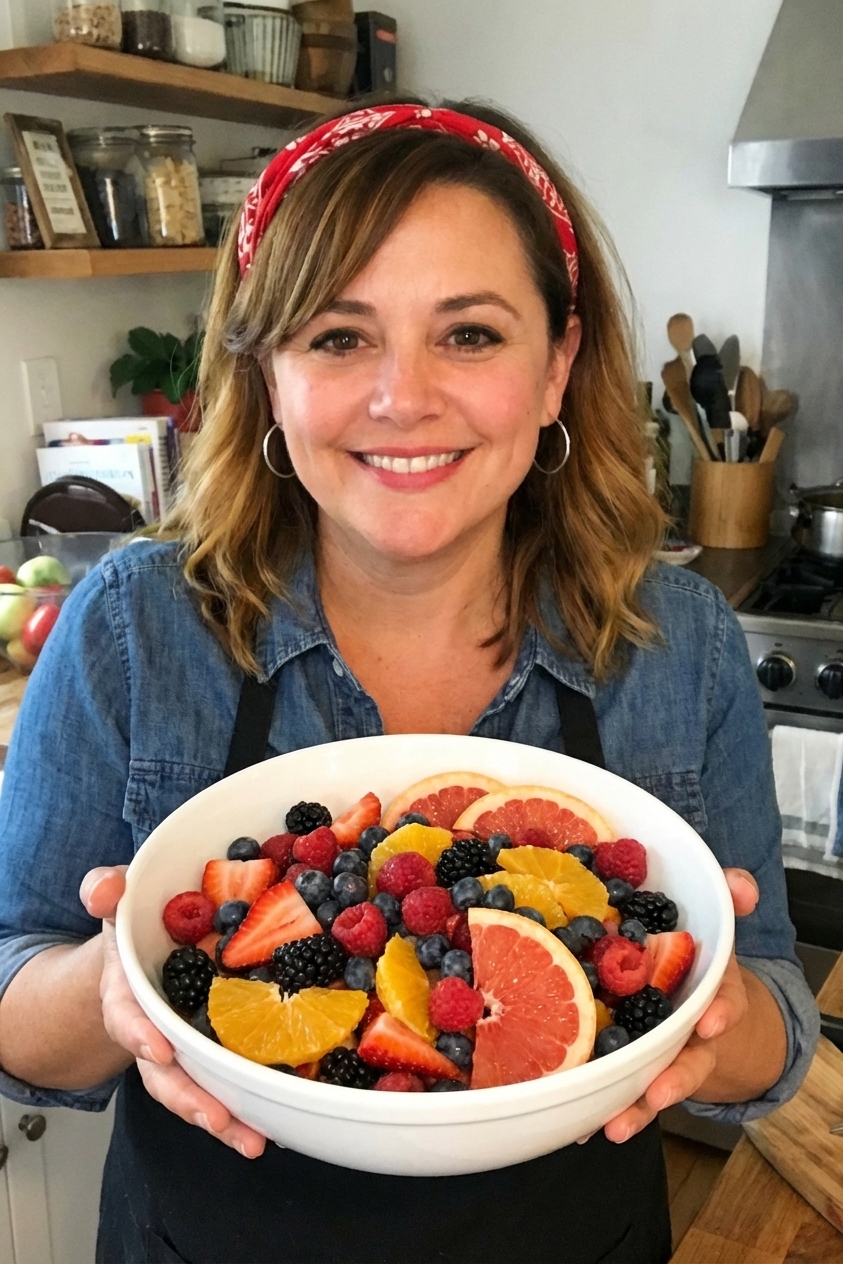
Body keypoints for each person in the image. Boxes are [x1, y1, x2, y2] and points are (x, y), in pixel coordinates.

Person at [0, 98, 818, 1264]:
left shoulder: (676, 639)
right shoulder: (131, 630)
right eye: (338, 336)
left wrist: (718, 1022)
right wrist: (114, 987)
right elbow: (13, 1003)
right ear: (266, 372)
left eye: (471, 334)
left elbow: (778, 1009)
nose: (403, 396)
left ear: (557, 366)